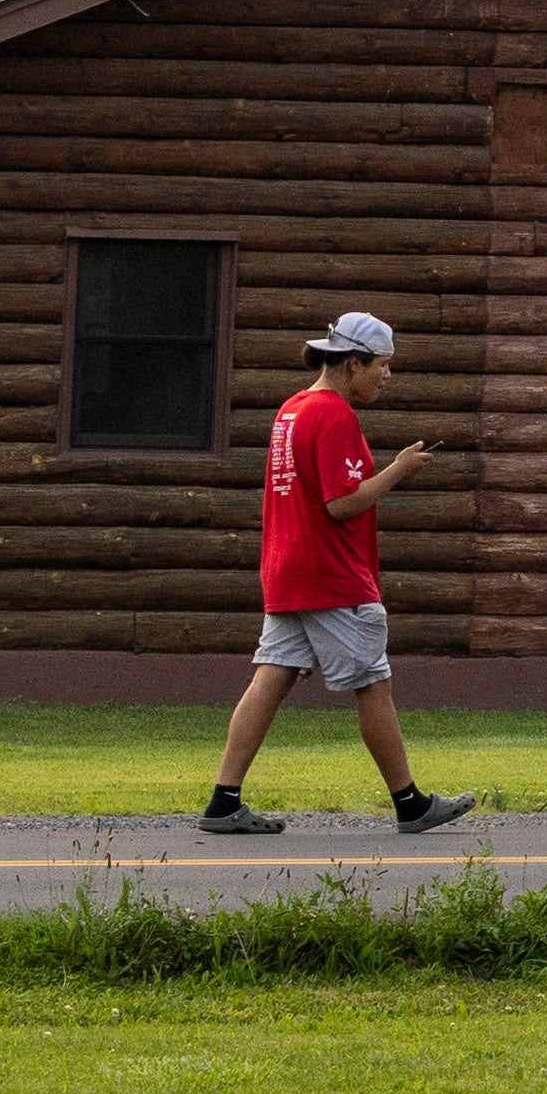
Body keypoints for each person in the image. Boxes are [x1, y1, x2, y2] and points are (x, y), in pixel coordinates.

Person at [206, 309, 478, 839]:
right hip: (331, 574)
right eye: (383, 365)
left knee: (272, 675)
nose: (388, 376)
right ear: (353, 363)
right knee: (373, 682)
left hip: (287, 569)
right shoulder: (333, 415)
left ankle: (223, 801)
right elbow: (341, 504)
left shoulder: (290, 410)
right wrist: (399, 469)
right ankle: (410, 804)